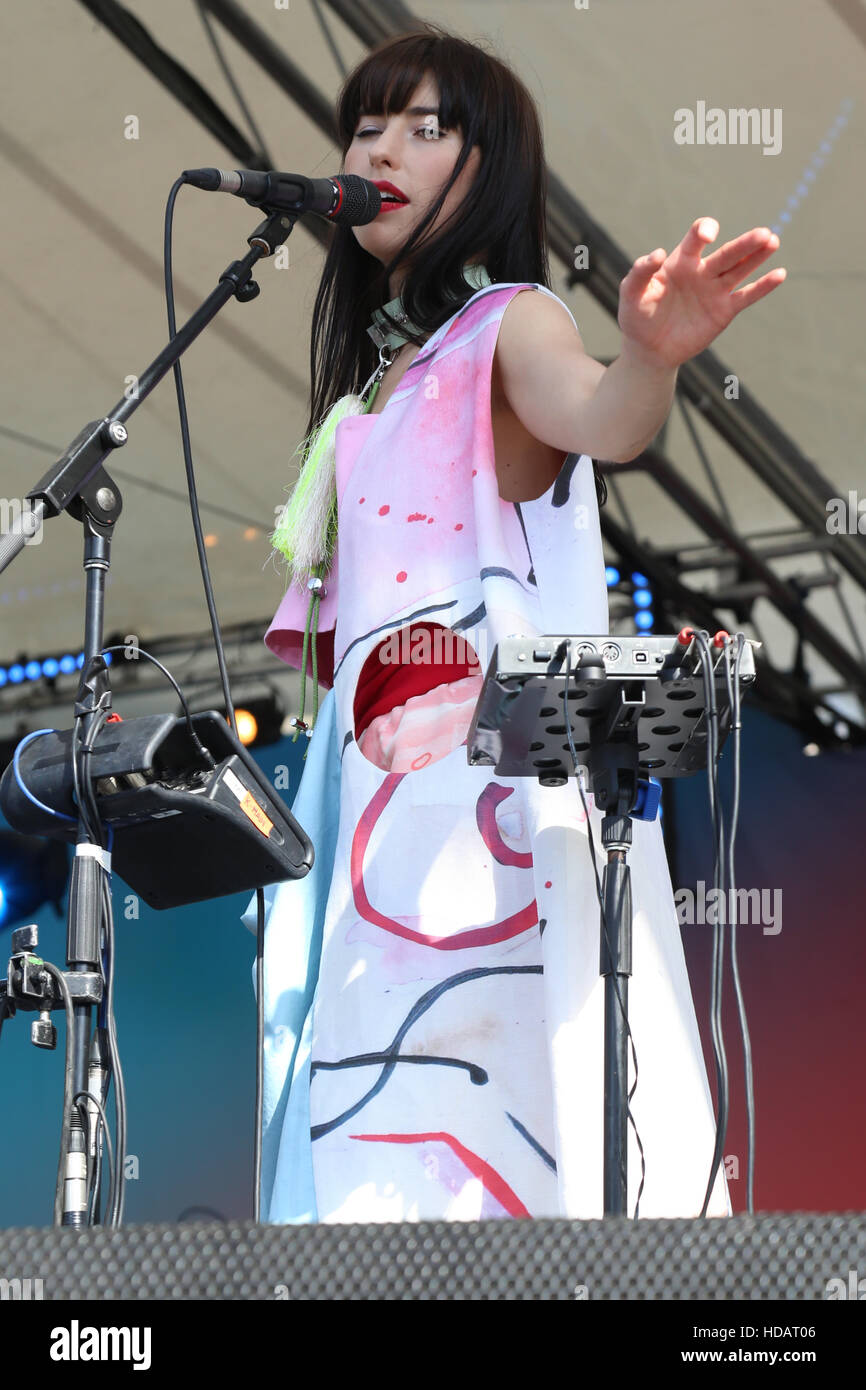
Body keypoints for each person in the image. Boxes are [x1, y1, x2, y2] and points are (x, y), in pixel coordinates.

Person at [242, 23, 785, 1225]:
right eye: (366, 123)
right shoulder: (364, 392)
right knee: (381, 1133)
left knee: (516, 1118)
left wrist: (647, 355)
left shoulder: (508, 324)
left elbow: (603, 416)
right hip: (377, 814)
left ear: (486, 167)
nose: (381, 143)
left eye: (423, 126)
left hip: (494, 796)